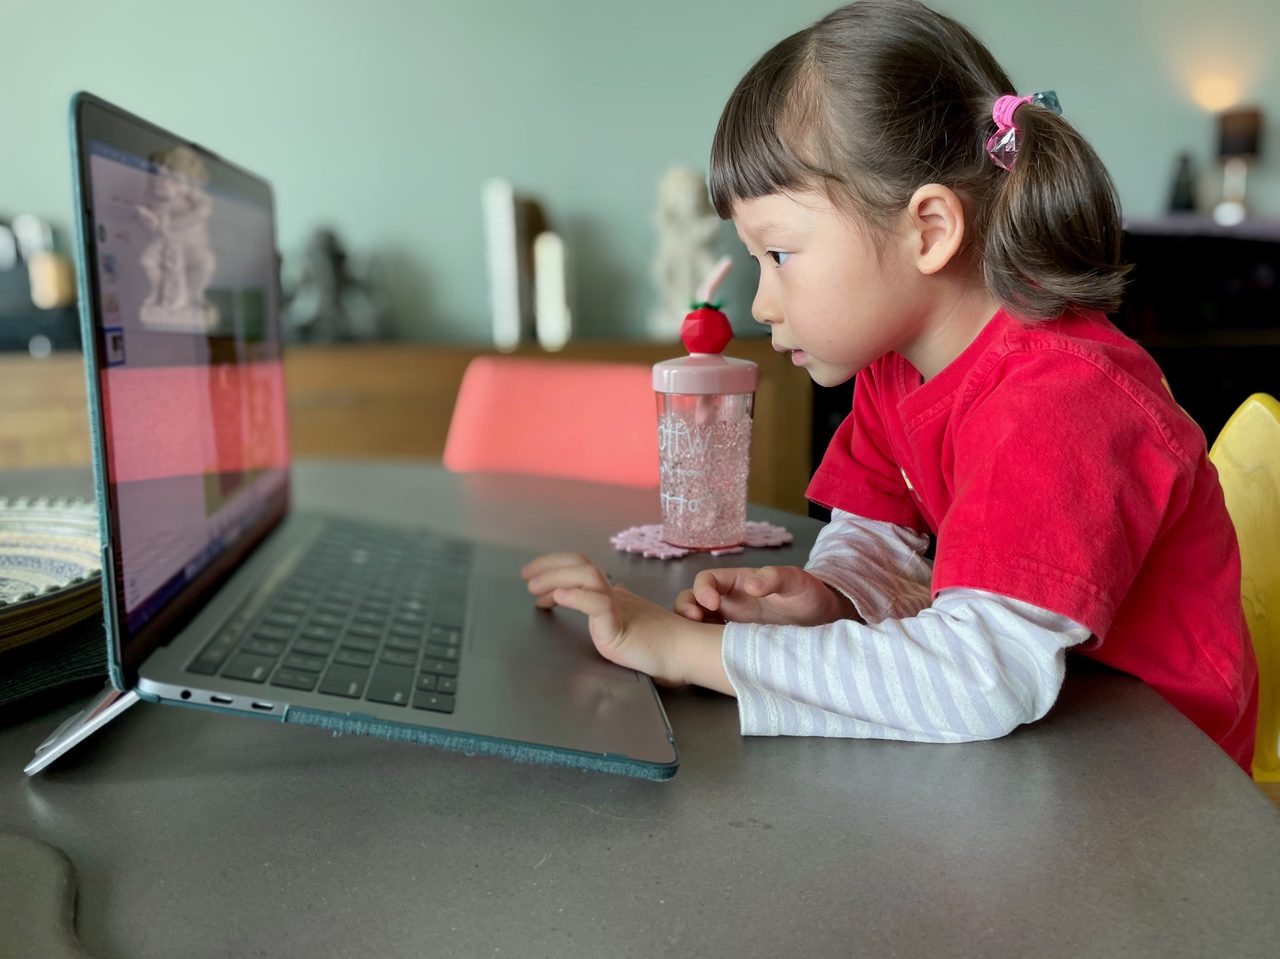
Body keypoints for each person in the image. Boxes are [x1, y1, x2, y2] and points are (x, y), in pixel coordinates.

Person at [522, 0, 1258, 770]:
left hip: (1159, 786)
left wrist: (689, 650)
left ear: (929, 230)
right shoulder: (895, 367)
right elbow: (880, 532)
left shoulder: (1060, 400)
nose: (762, 304)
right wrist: (833, 597)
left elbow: (976, 675)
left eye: (779, 255)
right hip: (1046, 746)